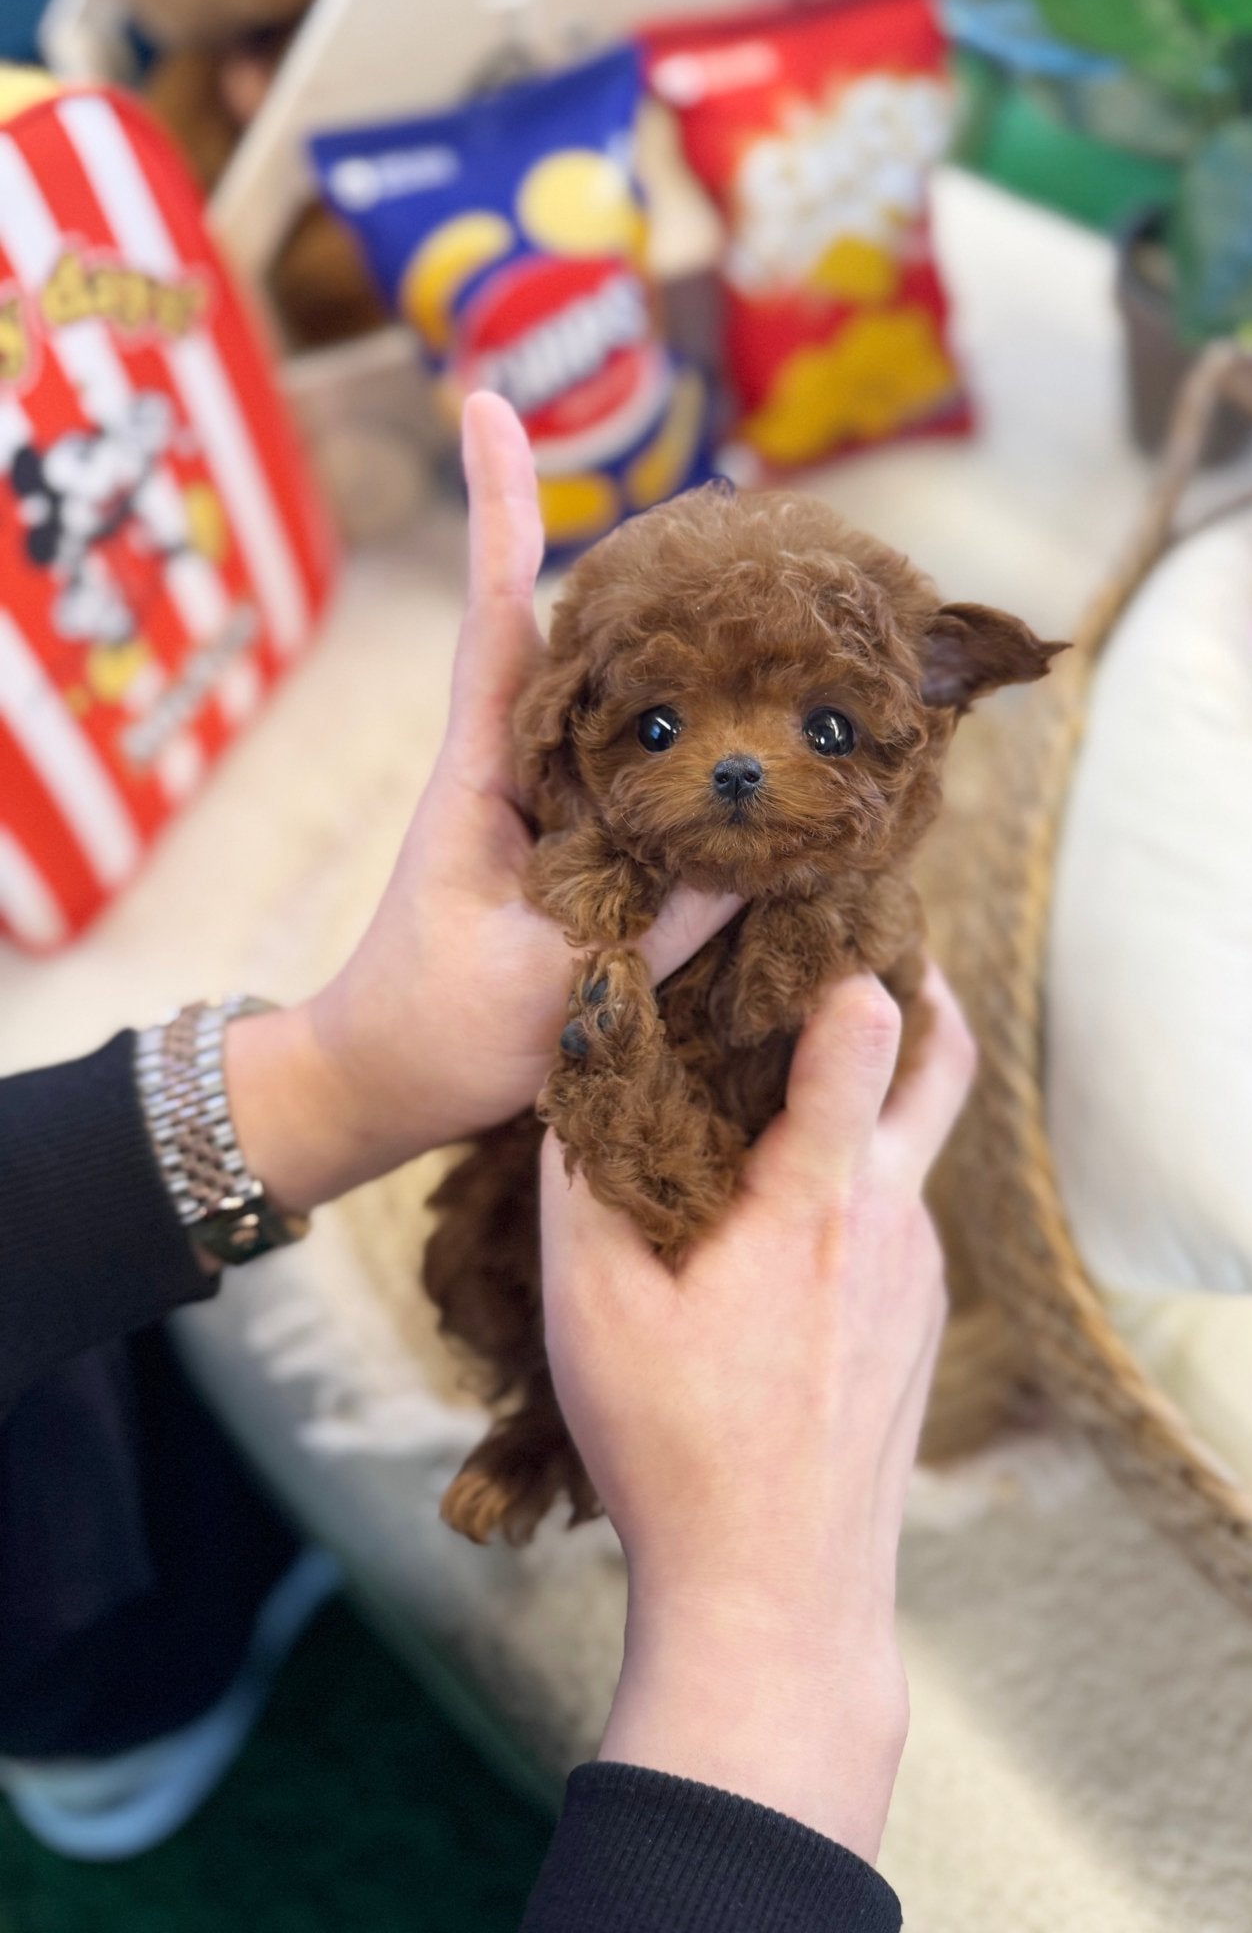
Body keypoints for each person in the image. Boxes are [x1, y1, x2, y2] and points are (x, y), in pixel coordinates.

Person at [0, 394, 974, 1928]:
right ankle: (121, 1693)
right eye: (661, 728)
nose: (732, 770)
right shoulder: (588, 897)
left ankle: (146, 1623)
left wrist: (330, 1078)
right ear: (575, 731)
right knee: (494, 1270)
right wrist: (771, 1639)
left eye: (823, 729)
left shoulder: (849, 923)